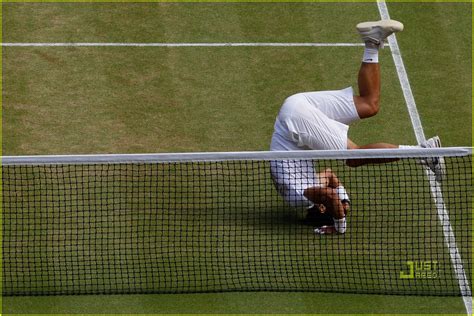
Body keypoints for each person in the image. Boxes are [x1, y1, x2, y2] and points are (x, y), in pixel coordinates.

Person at [269, 19, 444, 235]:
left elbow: (329, 195)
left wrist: (339, 225)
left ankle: (422, 153)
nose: (339, 206)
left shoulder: (300, 197)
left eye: (334, 208)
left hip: (295, 123)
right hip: (297, 105)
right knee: (370, 104)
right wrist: (344, 199)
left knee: (353, 156)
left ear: (321, 208)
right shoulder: (310, 187)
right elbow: (331, 176)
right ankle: (372, 41)